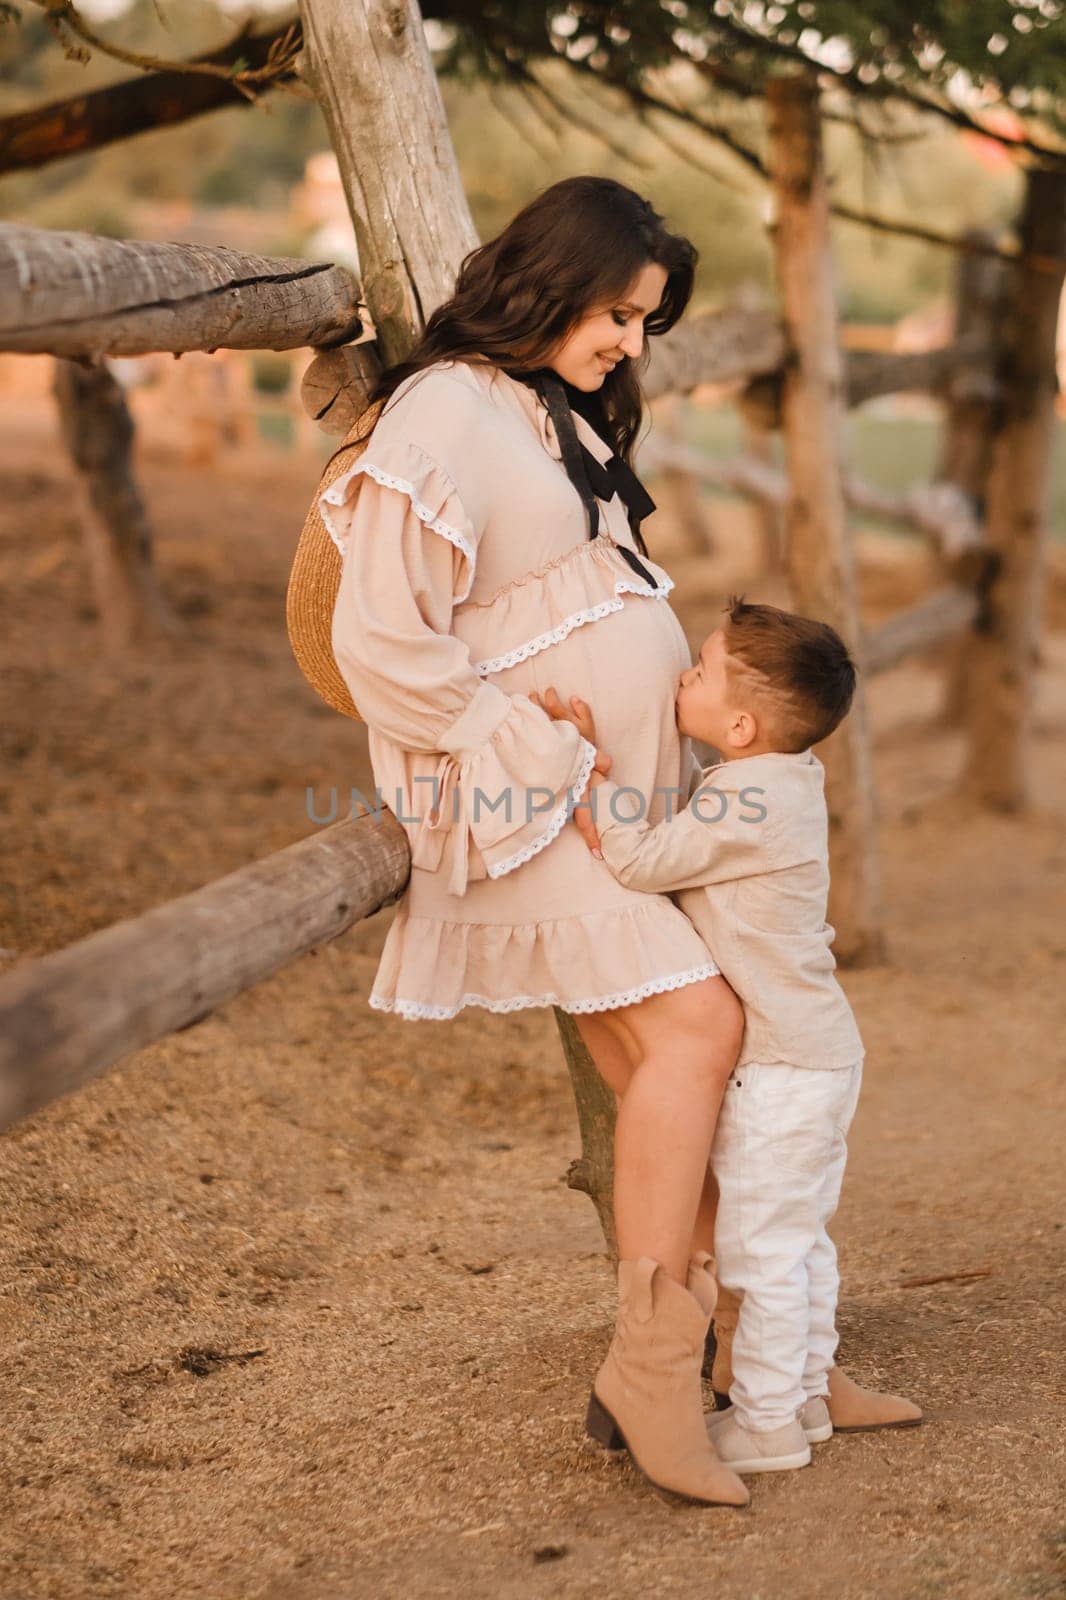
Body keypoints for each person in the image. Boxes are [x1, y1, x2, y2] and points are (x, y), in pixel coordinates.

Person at [315, 177, 748, 1507]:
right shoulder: (444, 408)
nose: (629, 340)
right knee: (695, 1031)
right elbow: (382, 643)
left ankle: (752, 1344)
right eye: (618, 311)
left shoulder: (552, 414)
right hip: (514, 797)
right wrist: (528, 742)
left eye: (646, 321)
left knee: (688, 1057)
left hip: (603, 796)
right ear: (551, 280)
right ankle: (650, 1363)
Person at [534, 596, 922, 1475]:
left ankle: (768, 1423)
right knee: (799, 1239)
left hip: (786, 1066)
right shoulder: (781, 780)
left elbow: (634, 861)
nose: (682, 677)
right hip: (817, 1054)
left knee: (764, 1252)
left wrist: (589, 775)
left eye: (700, 672)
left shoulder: (745, 801)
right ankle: (811, 1393)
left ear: (739, 725)